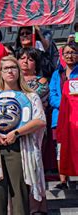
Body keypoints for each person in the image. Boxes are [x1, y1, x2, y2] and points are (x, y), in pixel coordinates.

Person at [0, 56, 47, 214]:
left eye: (14, 67)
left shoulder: (30, 96)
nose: (10, 71)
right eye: (6, 68)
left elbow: (40, 120)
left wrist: (16, 133)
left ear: (19, 72)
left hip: (20, 148)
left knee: (20, 199)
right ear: (0, 73)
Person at [49, 43, 78, 189]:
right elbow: (52, 95)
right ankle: (63, 180)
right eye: (66, 52)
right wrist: (66, 104)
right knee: (59, 147)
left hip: (76, 116)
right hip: (59, 116)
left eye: (73, 52)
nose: (69, 55)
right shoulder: (56, 74)